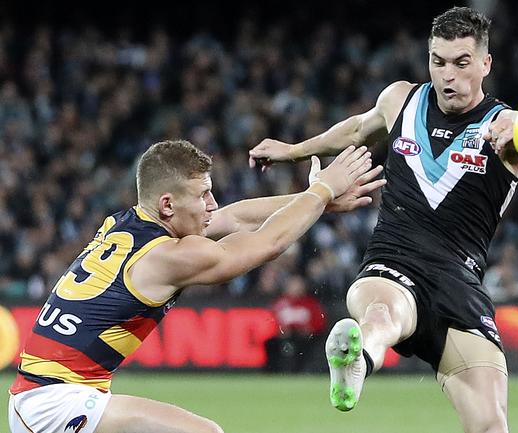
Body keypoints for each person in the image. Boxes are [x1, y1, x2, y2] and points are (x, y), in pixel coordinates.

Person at [248, 6, 518, 433]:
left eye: (462, 63)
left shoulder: (506, 124)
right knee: (383, 316)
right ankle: (358, 358)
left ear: (485, 64)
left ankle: (363, 351)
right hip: (393, 262)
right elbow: (357, 129)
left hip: (459, 283)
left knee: (490, 424)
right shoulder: (401, 99)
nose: (448, 75)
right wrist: (292, 150)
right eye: (438, 61)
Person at [7, 139, 386, 433]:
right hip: (54, 403)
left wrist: (320, 201)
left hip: (48, 395)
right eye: (203, 194)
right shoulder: (167, 257)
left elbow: (235, 216)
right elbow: (265, 244)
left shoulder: (130, 222)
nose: (212, 203)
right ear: (169, 204)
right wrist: (321, 191)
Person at [265, 274, 327, 373]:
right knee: (270, 344)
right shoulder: (280, 303)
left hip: (304, 337)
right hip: (284, 336)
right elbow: (271, 320)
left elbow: (319, 322)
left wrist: (308, 329)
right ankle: (272, 371)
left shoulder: (310, 303)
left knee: (302, 344)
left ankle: (302, 370)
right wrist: (280, 330)